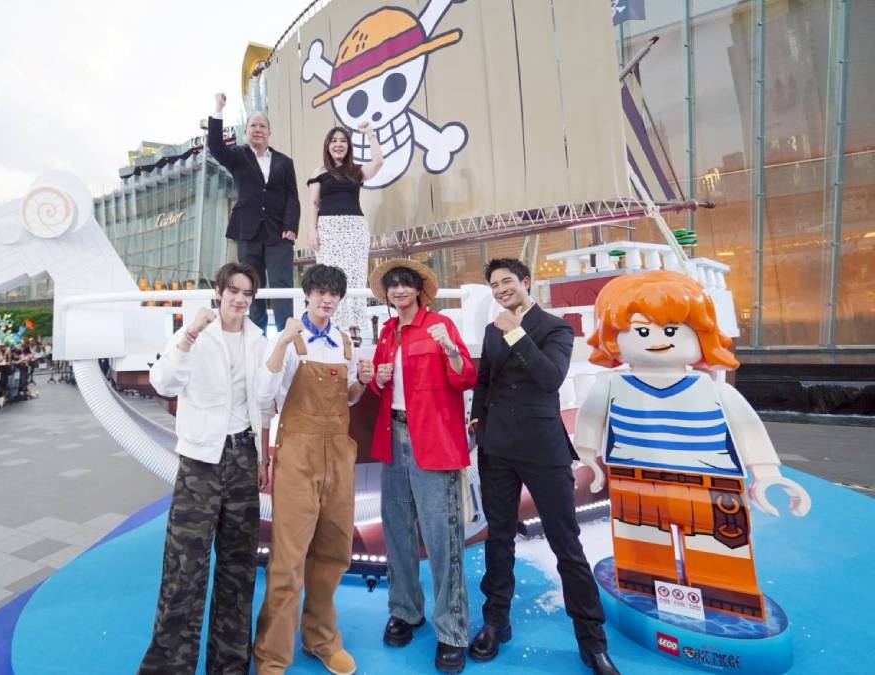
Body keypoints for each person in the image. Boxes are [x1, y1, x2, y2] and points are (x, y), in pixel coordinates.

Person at [575, 270, 810, 619]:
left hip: (712, 484)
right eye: (642, 331)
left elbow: (748, 429)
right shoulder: (610, 386)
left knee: (722, 560)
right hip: (634, 479)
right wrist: (589, 458)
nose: (657, 339)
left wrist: (766, 473)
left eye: (672, 330)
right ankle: (647, 589)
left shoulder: (713, 389)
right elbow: (590, 422)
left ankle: (726, 603)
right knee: (643, 558)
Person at [467, 259, 617, 674]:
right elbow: (484, 380)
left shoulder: (556, 328)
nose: (501, 289)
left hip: (543, 450)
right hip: (497, 449)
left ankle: (592, 640)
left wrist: (514, 332)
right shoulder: (491, 330)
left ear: (525, 282)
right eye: (494, 284)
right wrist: (477, 420)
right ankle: (495, 622)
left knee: (566, 543)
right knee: (499, 539)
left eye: (507, 281)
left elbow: (550, 377)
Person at [139, 262, 275, 675]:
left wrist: (263, 457)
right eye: (233, 290)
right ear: (219, 291)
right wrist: (190, 334)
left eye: (247, 293)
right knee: (185, 567)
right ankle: (168, 667)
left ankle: (229, 665)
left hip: (243, 457)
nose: (240, 299)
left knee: (238, 569)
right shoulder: (196, 333)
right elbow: (163, 382)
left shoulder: (258, 340)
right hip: (200, 462)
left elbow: (262, 403)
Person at [253, 264, 373, 675]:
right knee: (288, 559)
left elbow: (350, 398)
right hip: (298, 458)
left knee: (334, 552)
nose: (327, 299)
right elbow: (263, 394)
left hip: (338, 456)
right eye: (320, 292)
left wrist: (361, 382)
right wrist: (282, 341)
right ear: (307, 294)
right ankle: (271, 655)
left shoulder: (344, 342)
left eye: (333, 293)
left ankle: (320, 639)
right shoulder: (290, 341)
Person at [367, 260, 477, 673]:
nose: (398, 291)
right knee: (397, 530)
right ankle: (405, 610)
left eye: (405, 284)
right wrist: (377, 378)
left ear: (418, 290)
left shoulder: (440, 326)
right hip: (393, 437)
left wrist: (450, 350)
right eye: (392, 286)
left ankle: (452, 630)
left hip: (432, 441)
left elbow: (465, 377)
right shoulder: (386, 332)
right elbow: (380, 387)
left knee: (442, 537)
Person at [207, 92, 300, 333]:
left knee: (282, 285)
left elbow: (292, 197)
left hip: (279, 233)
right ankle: (257, 335)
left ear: (269, 131)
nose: (258, 129)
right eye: (253, 126)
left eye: (262, 126)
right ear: (246, 131)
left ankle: (285, 335)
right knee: (251, 285)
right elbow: (215, 147)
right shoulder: (238, 156)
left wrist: (291, 227)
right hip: (247, 231)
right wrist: (218, 109)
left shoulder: (284, 162)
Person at [305, 124, 384, 345]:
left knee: (356, 277)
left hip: (355, 227)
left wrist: (370, 135)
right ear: (327, 146)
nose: (338, 144)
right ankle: (334, 327)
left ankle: (355, 328)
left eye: (342, 141)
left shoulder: (355, 171)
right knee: (330, 277)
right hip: (328, 228)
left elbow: (378, 161)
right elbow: (313, 202)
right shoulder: (319, 172)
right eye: (334, 141)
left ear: (349, 146)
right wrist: (312, 229)